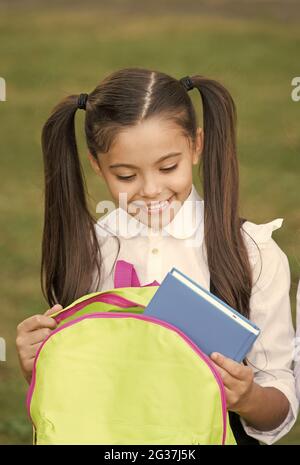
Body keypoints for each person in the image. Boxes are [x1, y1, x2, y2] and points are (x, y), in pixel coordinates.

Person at [16, 67, 298, 444]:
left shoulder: (253, 253)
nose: (150, 189)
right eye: (126, 176)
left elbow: (278, 403)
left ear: (196, 146)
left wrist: (248, 398)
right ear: (97, 165)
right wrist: (40, 360)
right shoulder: (89, 250)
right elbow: (78, 391)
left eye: (168, 167)